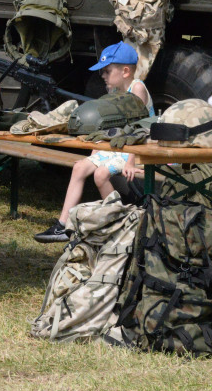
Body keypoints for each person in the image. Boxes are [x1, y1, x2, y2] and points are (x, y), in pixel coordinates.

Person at [36, 42, 154, 243]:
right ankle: (62, 226)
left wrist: (131, 162)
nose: (103, 76)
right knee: (80, 168)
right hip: (117, 146)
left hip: (135, 148)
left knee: (101, 174)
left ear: (125, 71)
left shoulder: (137, 89)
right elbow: (102, 130)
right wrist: (93, 154)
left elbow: (139, 130)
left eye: (107, 71)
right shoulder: (113, 94)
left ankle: (119, 223)